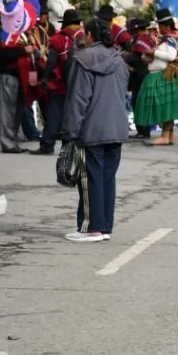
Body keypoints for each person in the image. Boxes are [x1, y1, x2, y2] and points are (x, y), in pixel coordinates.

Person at [62, 17, 129, 242]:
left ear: (89, 35)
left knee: (90, 179)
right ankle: (104, 226)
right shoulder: (119, 60)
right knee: (107, 178)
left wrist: (71, 131)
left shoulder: (82, 60)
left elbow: (77, 100)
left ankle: (92, 227)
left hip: (91, 128)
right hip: (117, 127)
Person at [134, 9, 178, 146]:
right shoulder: (168, 40)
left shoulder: (171, 40)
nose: (159, 29)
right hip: (165, 76)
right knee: (167, 106)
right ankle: (169, 135)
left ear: (166, 26)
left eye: (160, 26)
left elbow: (171, 56)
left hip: (165, 77)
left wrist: (154, 52)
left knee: (164, 107)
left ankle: (165, 135)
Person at [33, 9, 84, 155]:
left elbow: (51, 62)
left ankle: (47, 145)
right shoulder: (83, 36)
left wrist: (46, 79)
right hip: (80, 84)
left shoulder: (58, 39)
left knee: (54, 115)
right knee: (77, 115)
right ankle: (73, 147)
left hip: (61, 84)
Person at [125, 19, 154, 140]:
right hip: (139, 76)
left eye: (135, 31)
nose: (133, 33)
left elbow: (137, 58)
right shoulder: (145, 39)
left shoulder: (142, 41)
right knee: (137, 103)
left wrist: (123, 57)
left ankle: (144, 130)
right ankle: (141, 130)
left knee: (140, 103)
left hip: (142, 76)